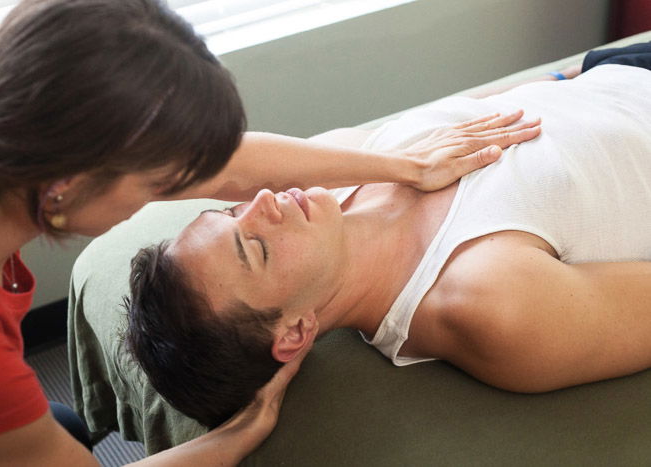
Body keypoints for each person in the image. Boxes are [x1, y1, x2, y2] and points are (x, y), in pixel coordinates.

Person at [0, 0, 540, 465]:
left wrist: (401, 167)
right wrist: (237, 437)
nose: (223, 193)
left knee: (67, 428)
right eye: (163, 182)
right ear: (67, 186)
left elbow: (230, 166)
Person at [126, 53, 651, 430]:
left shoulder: (337, 172)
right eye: (254, 248)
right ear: (295, 332)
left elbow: (497, 112)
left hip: (614, 68)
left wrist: (572, 72)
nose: (263, 198)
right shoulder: (483, 303)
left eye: (232, 213)